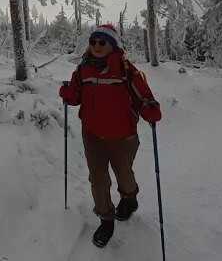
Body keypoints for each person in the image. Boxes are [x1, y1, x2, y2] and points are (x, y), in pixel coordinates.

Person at [58, 24, 161, 248]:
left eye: (102, 42)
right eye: (93, 42)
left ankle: (129, 198)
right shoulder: (83, 69)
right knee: (97, 178)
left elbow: (144, 97)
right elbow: (75, 96)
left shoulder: (126, 70)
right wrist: (67, 93)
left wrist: (150, 109)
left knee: (124, 174)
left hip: (122, 135)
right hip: (92, 134)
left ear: (112, 45)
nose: (96, 46)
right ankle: (106, 219)